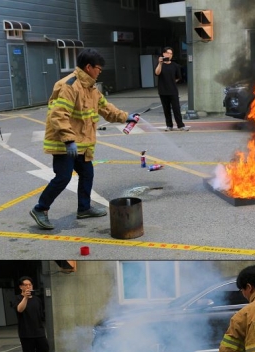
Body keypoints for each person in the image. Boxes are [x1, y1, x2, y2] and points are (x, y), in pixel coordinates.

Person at [31, 48, 138, 230]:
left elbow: (106, 108)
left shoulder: (91, 88)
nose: (100, 72)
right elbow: (58, 115)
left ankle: (84, 208)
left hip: (81, 144)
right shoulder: (69, 86)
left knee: (87, 173)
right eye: (98, 68)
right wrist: (68, 140)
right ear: (89, 67)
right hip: (65, 144)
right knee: (63, 177)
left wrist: (125, 117)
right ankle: (40, 209)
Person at [11, 276, 49, 352]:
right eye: (26, 285)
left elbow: (40, 315)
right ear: (21, 287)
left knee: (44, 351)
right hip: (26, 332)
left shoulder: (37, 299)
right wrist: (25, 298)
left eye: (30, 285)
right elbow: (20, 309)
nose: (28, 287)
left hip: (39, 331)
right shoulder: (17, 298)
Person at [154, 47, 189, 132]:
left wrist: (171, 82)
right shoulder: (160, 65)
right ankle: (169, 125)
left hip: (173, 90)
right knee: (166, 109)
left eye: (171, 53)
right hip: (162, 90)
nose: (169, 55)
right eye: (168, 53)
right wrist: (160, 63)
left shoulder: (175, 65)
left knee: (176, 108)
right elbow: (157, 73)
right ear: (163, 54)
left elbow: (178, 77)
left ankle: (180, 125)